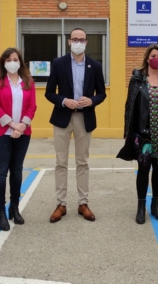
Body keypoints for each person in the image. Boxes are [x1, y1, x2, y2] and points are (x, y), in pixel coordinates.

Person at [45, 28, 107, 223]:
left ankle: (83, 203)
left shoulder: (95, 66)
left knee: (83, 162)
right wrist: (64, 101)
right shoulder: (58, 63)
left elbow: (102, 93)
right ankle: (61, 204)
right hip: (63, 117)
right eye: (75, 39)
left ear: (86, 42)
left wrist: (92, 101)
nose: (78, 42)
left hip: (84, 117)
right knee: (61, 162)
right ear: (69, 42)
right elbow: (49, 92)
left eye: (82, 39)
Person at [117, 44, 158, 224]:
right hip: (142, 134)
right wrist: (127, 131)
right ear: (147, 58)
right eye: (153, 55)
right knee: (143, 170)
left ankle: (156, 205)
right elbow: (129, 105)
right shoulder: (137, 79)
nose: (156, 58)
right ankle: (140, 207)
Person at [0, 48, 37, 231]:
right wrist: (13, 125)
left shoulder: (28, 81)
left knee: (17, 171)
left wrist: (22, 125)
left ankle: (14, 208)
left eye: (15, 59)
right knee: (1, 172)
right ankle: (0, 211)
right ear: (3, 62)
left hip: (22, 134)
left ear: (20, 62)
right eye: (8, 59)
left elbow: (32, 106)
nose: (12, 62)